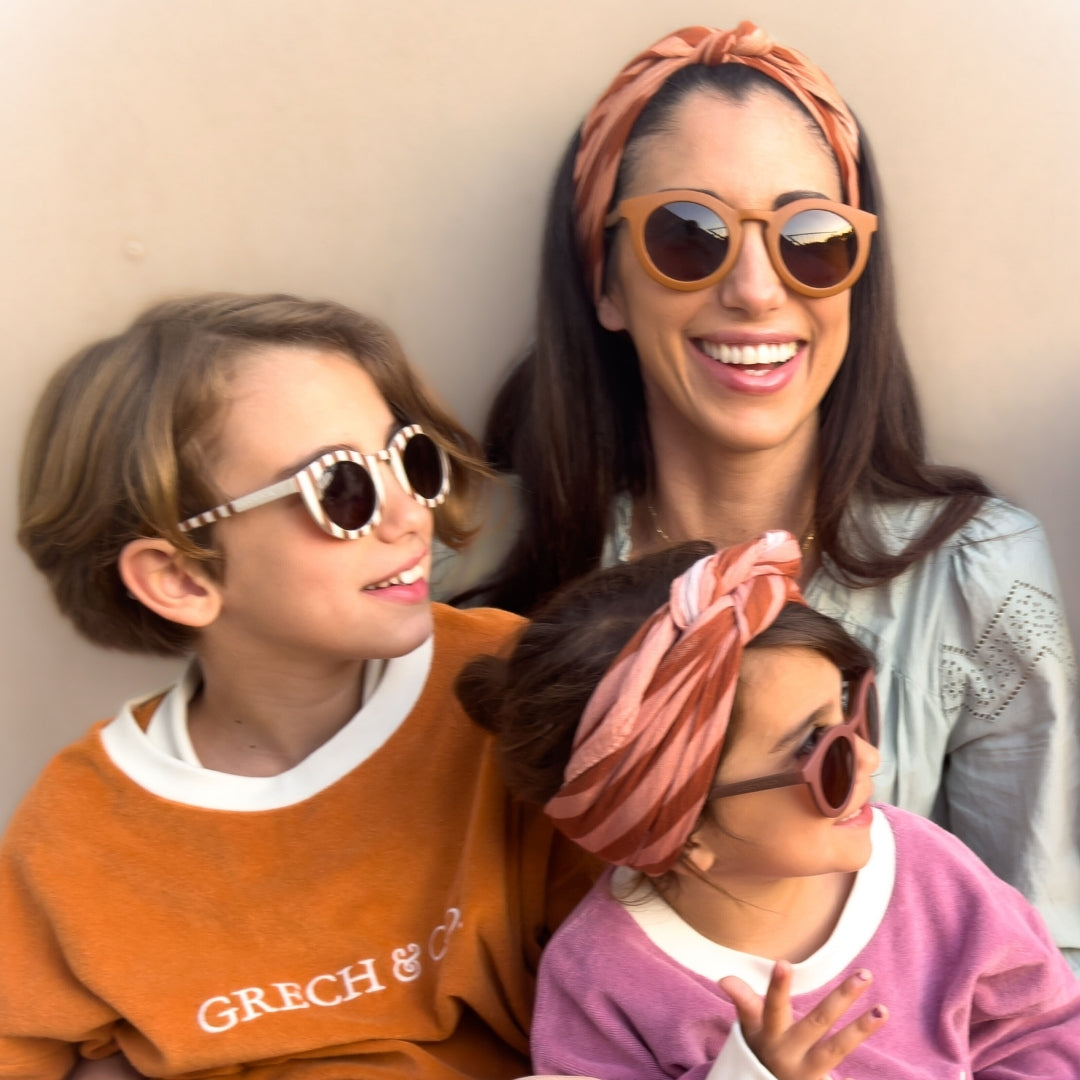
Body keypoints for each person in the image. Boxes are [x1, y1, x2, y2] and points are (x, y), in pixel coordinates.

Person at [458, 22, 1080, 971]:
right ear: (603, 280)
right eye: (689, 235)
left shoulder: (980, 580)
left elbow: (1039, 965)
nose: (756, 290)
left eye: (812, 241)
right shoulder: (471, 554)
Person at [1, 293, 593, 1080]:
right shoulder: (75, 832)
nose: (408, 514)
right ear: (181, 578)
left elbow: (652, 981)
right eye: (341, 490)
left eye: (410, 460)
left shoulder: (511, 691)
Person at [456, 532, 1080, 1078]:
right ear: (680, 830)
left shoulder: (927, 871)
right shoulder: (600, 976)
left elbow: (1041, 1029)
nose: (868, 758)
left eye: (852, 710)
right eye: (819, 749)